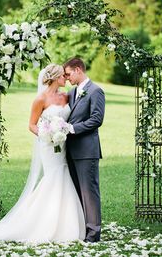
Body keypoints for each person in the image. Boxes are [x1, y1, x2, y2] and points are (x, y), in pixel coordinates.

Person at [0, 64, 85, 243]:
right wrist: (47, 135)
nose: (66, 78)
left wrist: (60, 133)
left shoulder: (65, 96)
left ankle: (65, 224)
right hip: (48, 145)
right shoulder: (40, 99)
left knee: (63, 175)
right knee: (53, 177)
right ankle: (41, 223)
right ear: (56, 77)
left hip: (62, 144)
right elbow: (32, 124)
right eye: (63, 75)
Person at [64, 57, 105, 243]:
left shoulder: (96, 91)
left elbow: (97, 119)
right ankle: (81, 229)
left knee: (90, 192)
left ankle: (93, 234)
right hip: (70, 151)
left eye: (68, 74)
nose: (66, 78)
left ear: (78, 69)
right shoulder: (72, 92)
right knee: (76, 192)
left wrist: (73, 128)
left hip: (87, 151)